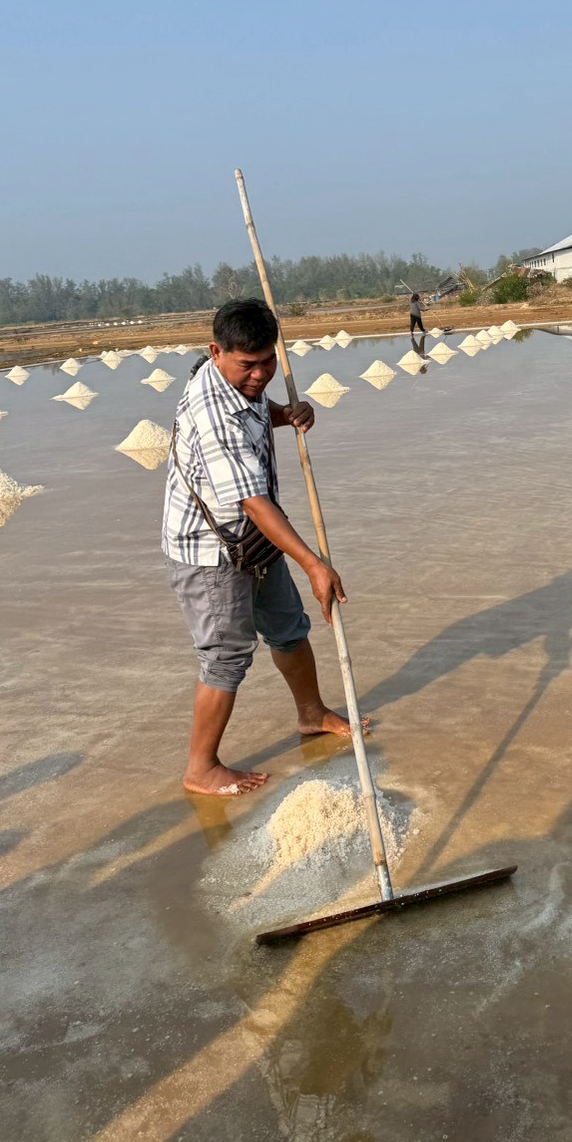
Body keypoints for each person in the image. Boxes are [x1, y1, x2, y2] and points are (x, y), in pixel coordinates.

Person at [163, 298, 361, 797]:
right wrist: (313, 562)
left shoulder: (240, 386)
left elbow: (255, 410)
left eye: (268, 361)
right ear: (215, 352)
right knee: (226, 657)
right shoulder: (214, 416)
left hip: (254, 541)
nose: (259, 375)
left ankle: (312, 713)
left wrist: (284, 414)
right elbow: (253, 502)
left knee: (289, 629)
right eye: (247, 365)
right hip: (212, 551)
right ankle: (201, 767)